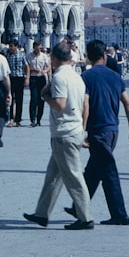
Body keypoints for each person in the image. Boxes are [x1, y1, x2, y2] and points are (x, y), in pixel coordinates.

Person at [65, 39, 129, 224]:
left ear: (88, 57)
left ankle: (120, 215)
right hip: (113, 130)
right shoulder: (116, 77)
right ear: (104, 56)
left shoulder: (86, 77)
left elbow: (85, 105)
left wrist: (81, 131)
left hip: (98, 131)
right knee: (93, 171)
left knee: (108, 173)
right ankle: (78, 207)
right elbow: (128, 104)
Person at [23, 42, 94, 230]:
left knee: (73, 176)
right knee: (53, 176)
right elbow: (85, 104)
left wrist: (45, 96)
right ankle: (41, 214)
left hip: (65, 133)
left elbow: (60, 105)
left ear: (54, 57)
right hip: (73, 130)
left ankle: (85, 217)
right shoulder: (77, 77)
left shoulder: (60, 78)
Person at [5, 38, 29, 127]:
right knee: (10, 99)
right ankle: (11, 119)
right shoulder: (7, 55)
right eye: (9, 46)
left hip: (19, 78)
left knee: (19, 99)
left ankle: (18, 119)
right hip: (10, 78)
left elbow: (26, 66)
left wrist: (27, 78)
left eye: (12, 46)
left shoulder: (22, 55)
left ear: (16, 46)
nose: (10, 48)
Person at [27, 41, 51, 126]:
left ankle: (38, 119)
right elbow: (27, 67)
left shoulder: (44, 56)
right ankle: (32, 119)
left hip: (41, 78)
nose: (38, 49)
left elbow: (48, 67)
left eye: (39, 47)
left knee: (41, 99)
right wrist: (32, 70)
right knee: (33, 99)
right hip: (33, 78)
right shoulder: (29, 56)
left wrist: (45, 71)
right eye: (36, 47)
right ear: (33, 47)